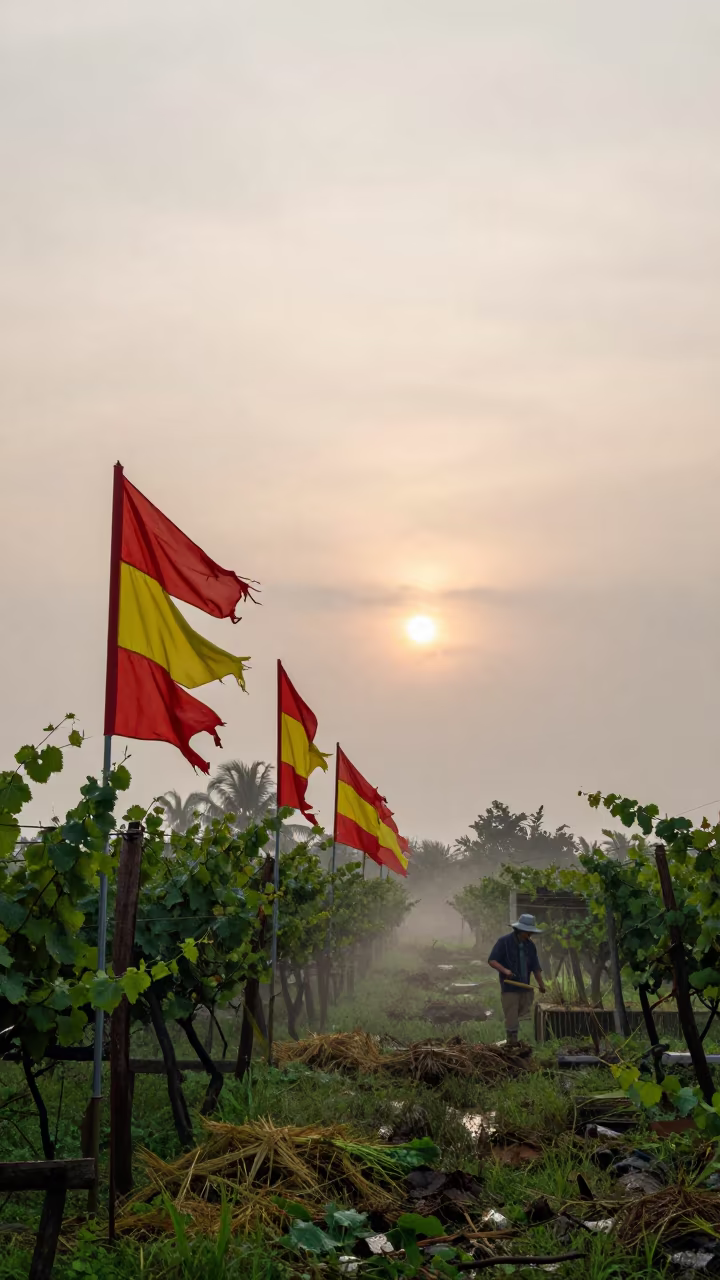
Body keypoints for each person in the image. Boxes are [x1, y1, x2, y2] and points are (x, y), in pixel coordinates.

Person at [488, 913, 546, 1043]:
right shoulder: (504, 942)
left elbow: (535, 967)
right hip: (509, 987)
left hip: (525, 986)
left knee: (524, 1012)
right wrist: (505, 970)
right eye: (528, 932)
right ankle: (512, 1041)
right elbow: (492, 960)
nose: (530, 935)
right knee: (511, 1014)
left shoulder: (530, 946)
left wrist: (541, 985)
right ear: (520, 930)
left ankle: (523, 1038)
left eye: (531, 932)